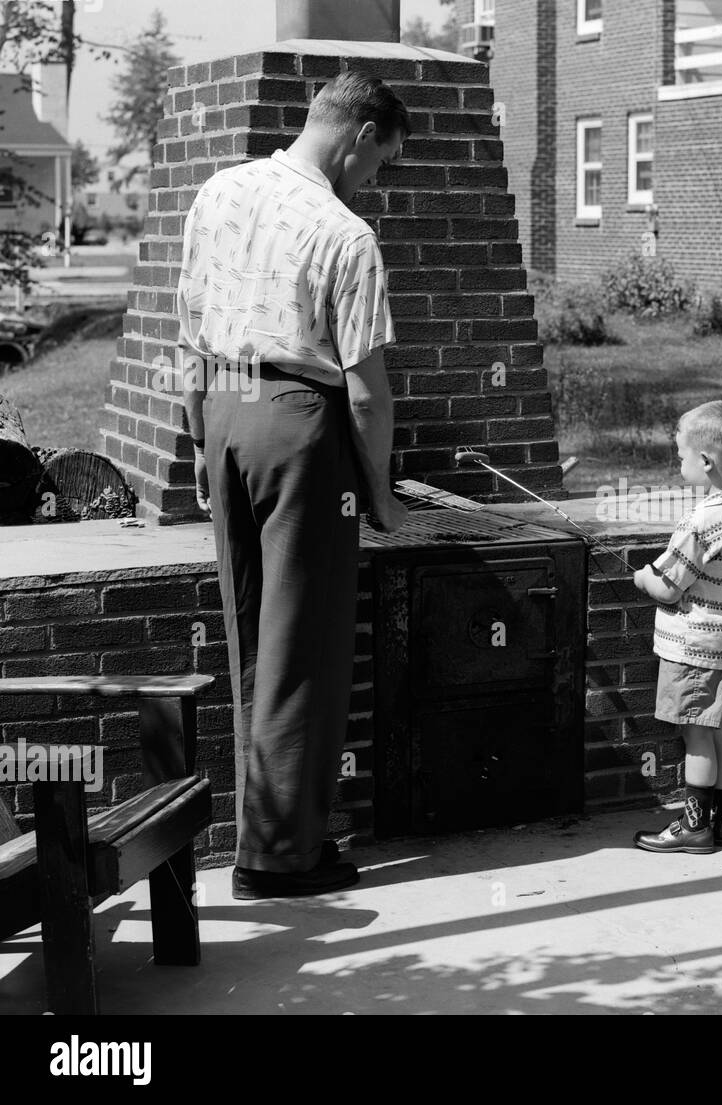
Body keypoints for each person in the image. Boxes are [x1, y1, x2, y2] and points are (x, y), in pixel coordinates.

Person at [178, 72, 412, 899]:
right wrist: (380, 493)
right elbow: (365, 392)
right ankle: (281, 858)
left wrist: (203, 440)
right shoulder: (346, 234)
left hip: (226, 414)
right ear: (359, 135)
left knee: (250, 640)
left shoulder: (218, 192)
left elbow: (192, 335)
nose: (372, 180)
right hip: (298, 424)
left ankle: (263, 835)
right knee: (304, 645)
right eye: (379, 163)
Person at [631, 401, 722, 853]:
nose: (678, 461)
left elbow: (668, 586)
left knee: (696, 736)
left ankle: (694, 828)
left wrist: (641, 576)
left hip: (694, 650)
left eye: (681, 454)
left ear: (705, 462)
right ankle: (720, 822)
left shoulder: (700, 521)